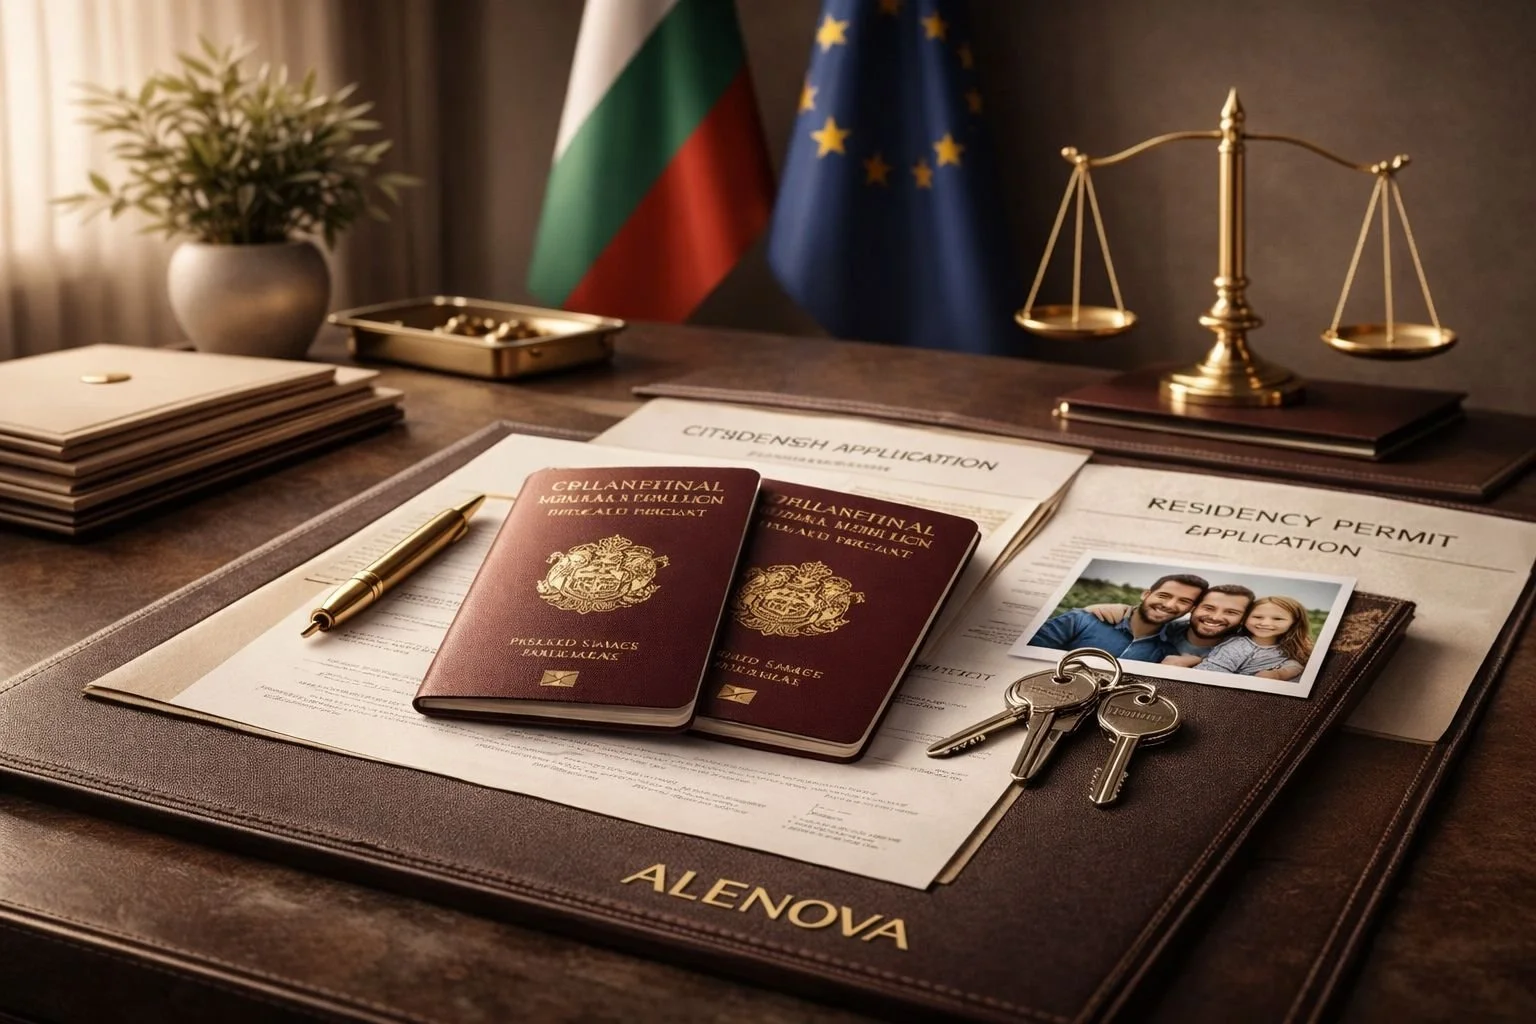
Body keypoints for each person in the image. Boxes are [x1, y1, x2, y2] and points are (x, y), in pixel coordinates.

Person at [1079, 584, 1303, 681]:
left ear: (1243, 619)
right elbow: (1139, 618)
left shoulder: (1244, 648)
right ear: (1193, 608)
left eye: (1231, 612)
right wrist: (1109, 609)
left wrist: (1285, 671)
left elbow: (1294, 659)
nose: (1215, 617)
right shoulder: (1169, 629)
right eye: (1208, 608)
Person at [1028, 573, 1207, 661]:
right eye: (1164, 596)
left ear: (1190, 609)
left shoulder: (1166, 653)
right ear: (1146, 595)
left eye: (1183, 601)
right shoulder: (1081, 619)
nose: (1169, 605)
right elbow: (1029, 654)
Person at [1196, 596, 1313, 678]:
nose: (1265, 623)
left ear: (1294, 623)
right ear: (1245, 619)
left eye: (1277, 619)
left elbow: (1295, 663)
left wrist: (1280, 674)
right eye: (1257, 617)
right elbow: (1208, 672)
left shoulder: (1290, 645)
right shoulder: (1236, 647)